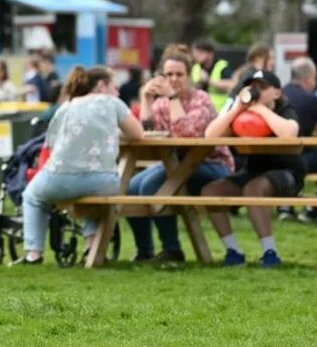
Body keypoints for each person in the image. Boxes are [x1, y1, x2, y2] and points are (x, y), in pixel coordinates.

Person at [19, 66, 144, 264]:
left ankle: (33, 253)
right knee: (94, 197)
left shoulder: (67, 106)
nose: (117, 92)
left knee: (32, 197)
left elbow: (50, 144)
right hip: (101, 181)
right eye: (115, 87)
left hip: (59, 177)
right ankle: (91, 246)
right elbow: (137, 134)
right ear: (101, 86)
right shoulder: (113, 103)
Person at [127, 46, 234, 262]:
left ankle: (172, 249)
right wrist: (146, 100)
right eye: (168, 75)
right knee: (131, 188)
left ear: (189, 76)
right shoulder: (160, 103)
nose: (173, 79)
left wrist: (173, 98)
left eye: (179, 74)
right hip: (177, 164)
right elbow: (146, 134)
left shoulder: (201, 99)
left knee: (151, 187)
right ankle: (144, 249)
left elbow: (187, 135)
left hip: (211, 164)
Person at [202, 69, 301, 267]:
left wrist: (261, 109)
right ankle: (233, 251)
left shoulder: (285, 109)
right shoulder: (243, 113)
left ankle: (270, 253)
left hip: (287, 173)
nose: (257, 92)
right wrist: (237, 108)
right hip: (253, 172)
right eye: (253, 88)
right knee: (210, 192)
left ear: (277, 93)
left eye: (263, 88)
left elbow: (289, 134)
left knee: (253, 189)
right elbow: (210, 136)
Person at [278, 57, 317, 222]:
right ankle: (313, 208)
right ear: (308, 78)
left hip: (271, 156)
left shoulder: (278, 95)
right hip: (300, 158)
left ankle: (285, 206)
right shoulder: (311, 101)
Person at [190, 39, 233, 111]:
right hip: (199, 109)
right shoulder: (195, 67)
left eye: (200, 52)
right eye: (195, 53)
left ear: (210, 53)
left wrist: (209, 81)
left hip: (219, 110)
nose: (196, 55)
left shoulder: (221, 65)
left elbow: (230, 84)